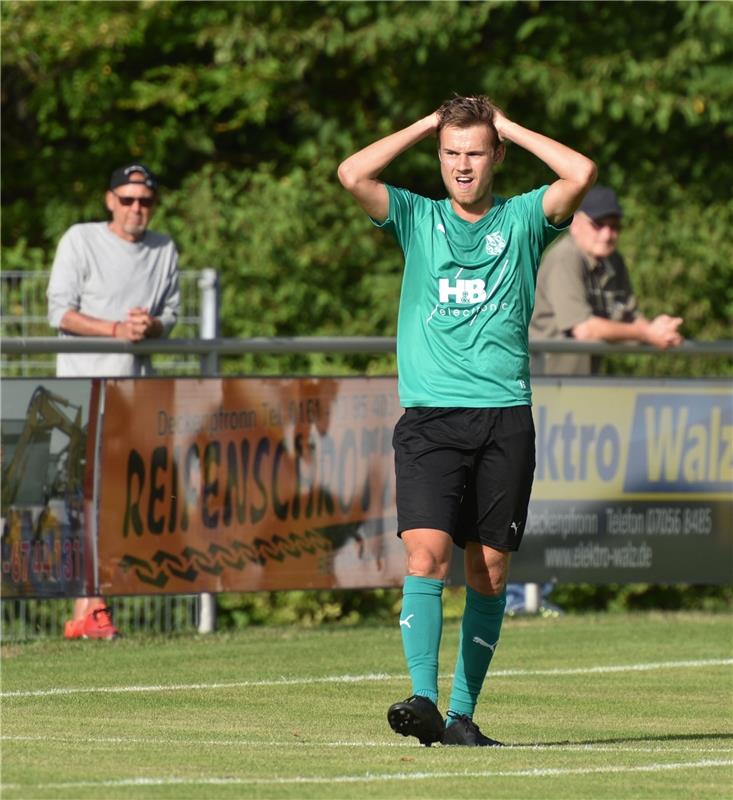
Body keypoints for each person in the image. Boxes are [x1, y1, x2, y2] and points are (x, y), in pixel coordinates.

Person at [338, 95, 596, 746]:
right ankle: (421, 701)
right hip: (430, 419)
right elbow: (352, 174)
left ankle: (460, 716)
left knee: (489, 571)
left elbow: (580, 173)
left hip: (504, 418)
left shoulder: (523, 219)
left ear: (495, 156)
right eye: (451, 153)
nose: (461, 164)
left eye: (475, 152)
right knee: (424, 555)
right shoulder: (417, 217)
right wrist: (429, 123)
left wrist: (504, 123)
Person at [47, 163, 181, 639]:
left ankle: (90, 606)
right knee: (83, 502)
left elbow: (171, 314)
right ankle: (89, 605)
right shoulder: (80, 240)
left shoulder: (164, 248)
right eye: (127, 199)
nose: (136, 208)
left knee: (117, 503)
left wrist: (151, 328)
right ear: (110, 200)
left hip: (134, 397)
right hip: (80, 395)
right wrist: (115, 331)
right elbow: (58, 312)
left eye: (144, 200)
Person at [530, 185, 683, 375]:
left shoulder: (613, 260)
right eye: (598, 224)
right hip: (545, 384)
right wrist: (647, 333)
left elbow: (630, 316)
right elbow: (584, 330)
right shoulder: (565, 257)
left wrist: (660, 331)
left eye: (615, 226)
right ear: (575, 223)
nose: (607, 234)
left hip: (583, 384)